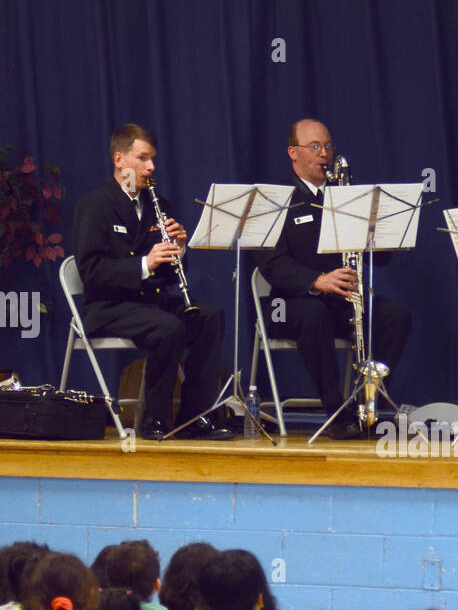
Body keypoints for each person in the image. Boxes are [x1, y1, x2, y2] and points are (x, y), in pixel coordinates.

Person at [254, 118, 412, 439]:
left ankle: (367, 402)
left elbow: (379, 259)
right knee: (314, 314)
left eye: (327, 146)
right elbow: (272, 266)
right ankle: (336, 411)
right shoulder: (276, 198)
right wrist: (317, 280)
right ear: (293, 153)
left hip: (340, 301)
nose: (323, 154)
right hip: (291, 303)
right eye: (314, 147)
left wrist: (378, 234)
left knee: (394, 315)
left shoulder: (347, 196)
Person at [72, 123, 231, 441]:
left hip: (147, 303)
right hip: (107, 306)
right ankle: (155, 420)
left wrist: (179, 249)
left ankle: (194, 416)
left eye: (152, 159)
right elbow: (91, 270)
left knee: (209, 316)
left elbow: (171, 274)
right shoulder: (95, 205)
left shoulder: (159, 205)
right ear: (120, 160)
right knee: (167, 328)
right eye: (143, 158)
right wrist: (145, 263)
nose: (151, 167)